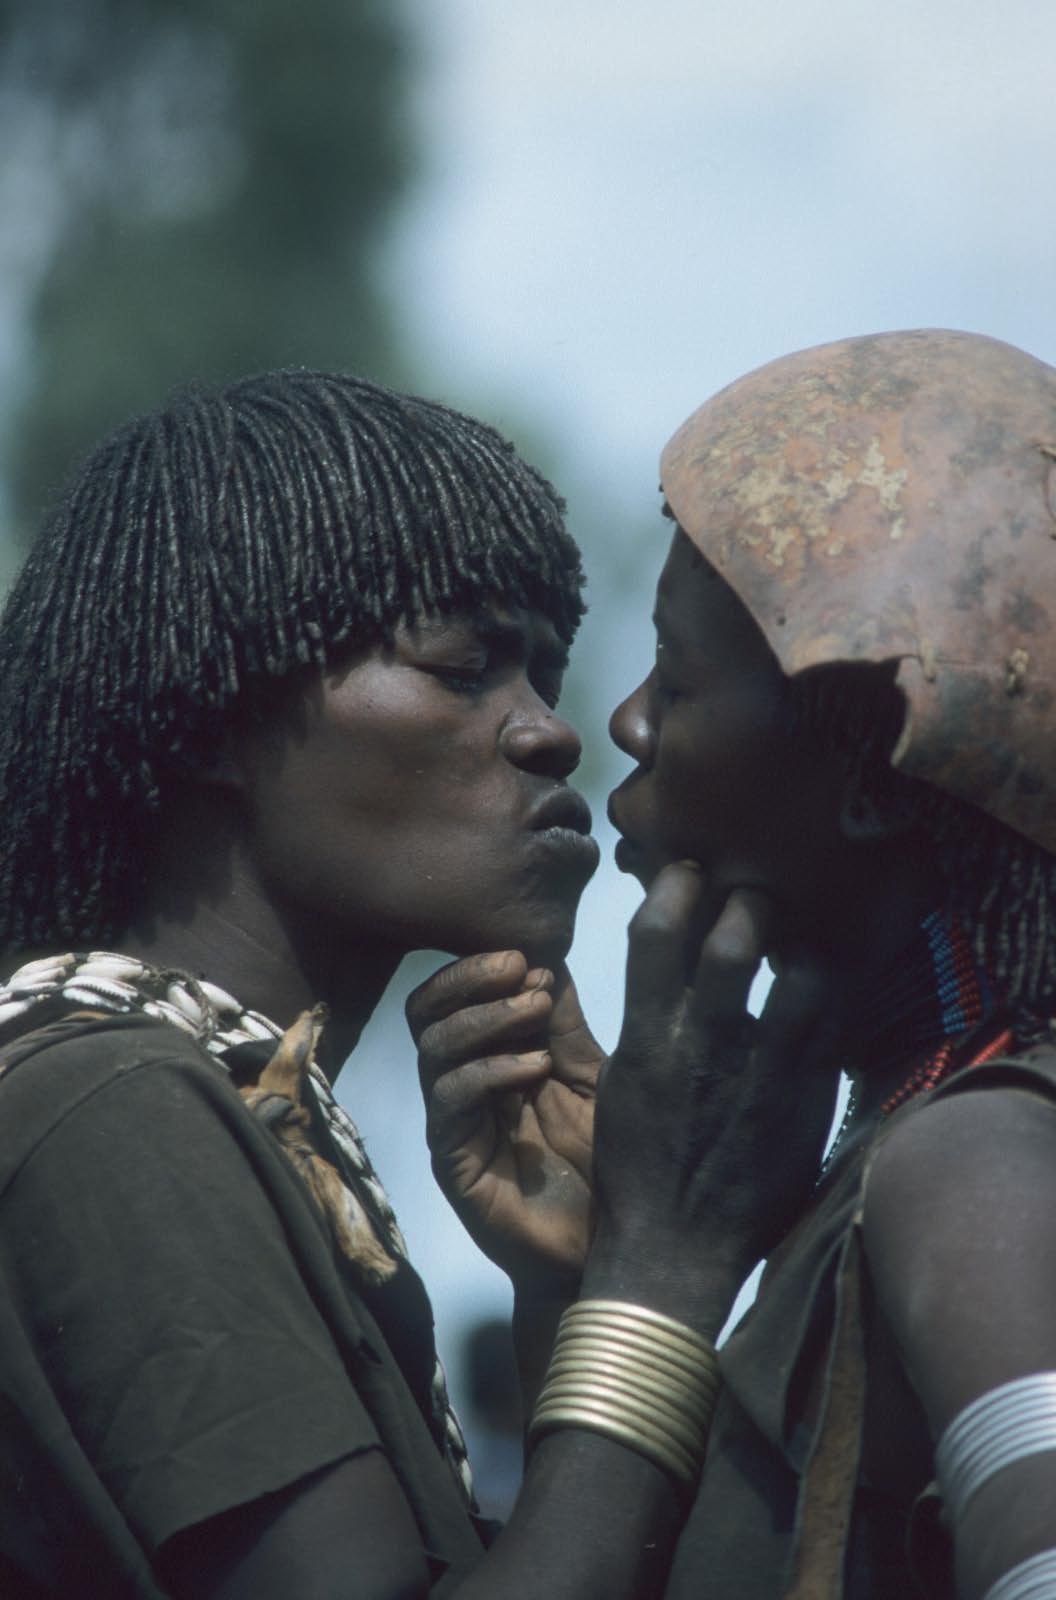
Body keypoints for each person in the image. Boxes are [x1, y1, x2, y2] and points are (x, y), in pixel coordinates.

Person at [0, 370, 832, 1599]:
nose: (551, 730)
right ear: (211, 716)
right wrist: (663, 1269)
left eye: (541, 673)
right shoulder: (111, 1107)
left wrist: (574, 1285)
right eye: (462, 666)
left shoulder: (221, 1116)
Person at [417, 328, 1056, 1599]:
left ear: (872, 781)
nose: (625, 721)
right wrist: (596, 1268)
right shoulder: (903, 1144)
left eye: (677, 674)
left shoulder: (969, 1160)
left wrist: (656, 1271)